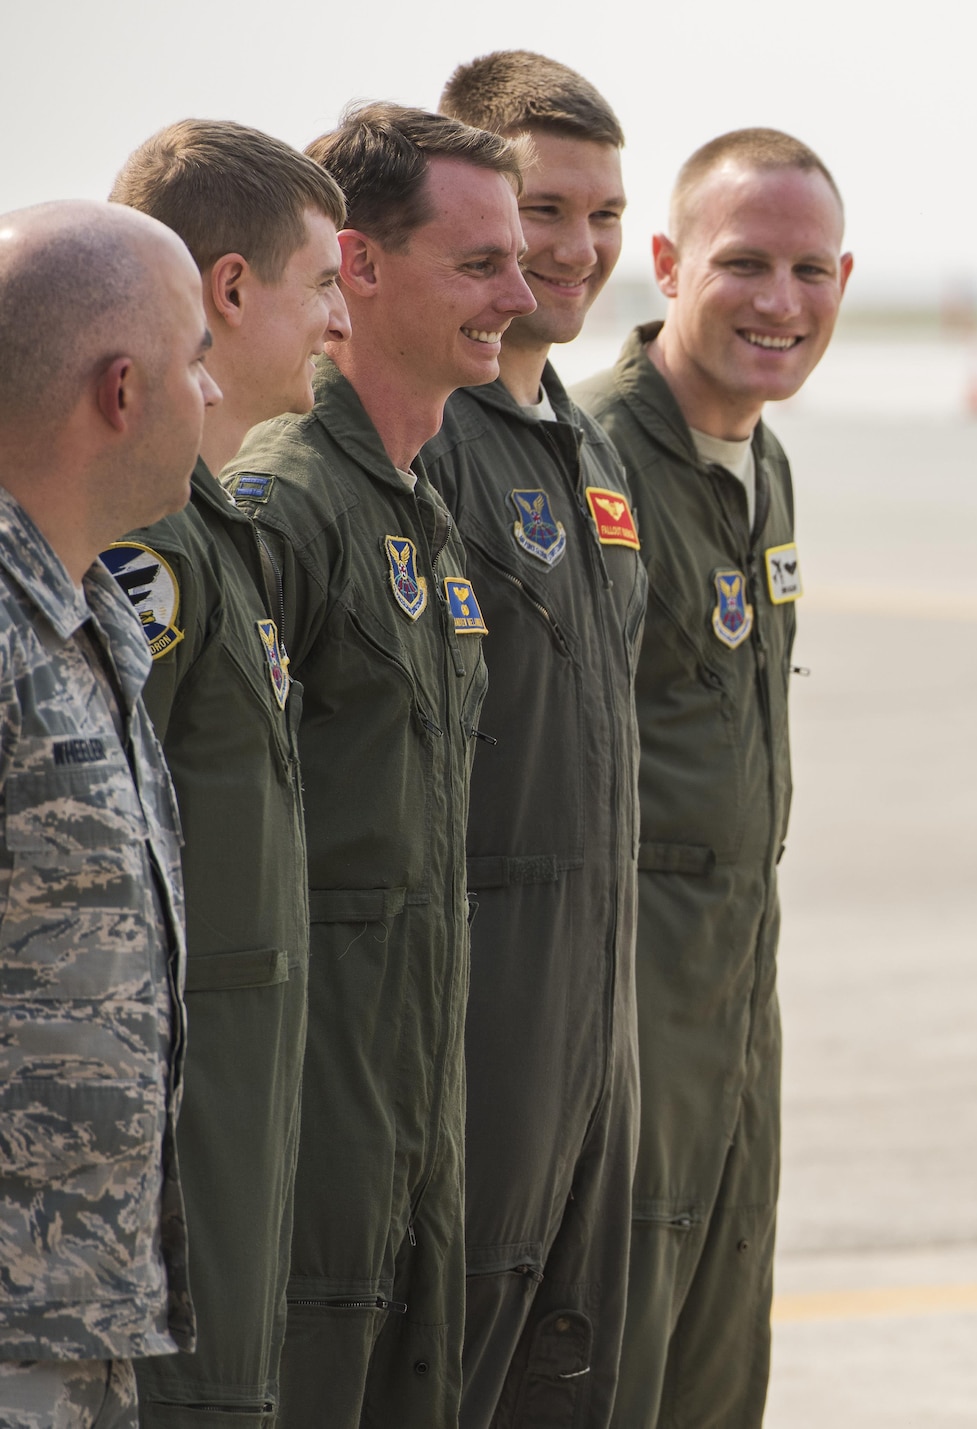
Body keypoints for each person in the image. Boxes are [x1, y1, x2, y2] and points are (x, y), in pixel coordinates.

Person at [220, 103, 531, 1429]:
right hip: (306, 1140)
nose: (522, 295)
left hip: (413, 1120)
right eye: (478, 265)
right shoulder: (283, 501)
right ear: (355, 266)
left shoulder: (418, 505)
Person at [576, 125, 851, 1429]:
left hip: (739, 997)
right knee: (611, 1364)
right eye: (745, 263)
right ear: (669, 263)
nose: (780, 303)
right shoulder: (583, 465)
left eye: (810, 270)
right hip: (620, 1012)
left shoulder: (763, 465)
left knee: (720, 1364)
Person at [107, 120, 349, 1428]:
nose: (337, 318)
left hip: (238, 1137)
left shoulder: (220, 532)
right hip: (171, 1155)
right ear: (233, 291)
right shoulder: (148, 543)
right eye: (322, 284)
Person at [430, 52, 646, 1429]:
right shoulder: (422, 437)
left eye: (603, 215)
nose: (576, 251)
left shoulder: (583, 443)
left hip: (593, 1016)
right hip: (467, 1013)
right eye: (546, 212)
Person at [0, 200, 219, 1426]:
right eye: (197, 358)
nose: (216, 391)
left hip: (75, 1320)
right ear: (122, 391)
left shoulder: (87, 616)